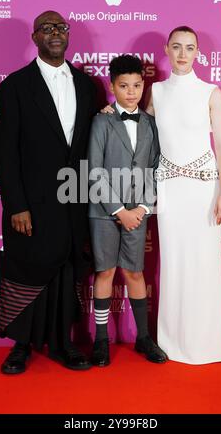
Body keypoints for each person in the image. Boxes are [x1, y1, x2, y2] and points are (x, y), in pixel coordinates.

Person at [0, 10, 97, 374]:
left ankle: (65, 343)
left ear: (68, 35)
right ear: (35, 37)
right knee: (28, 269)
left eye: (61, 28)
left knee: (67, 270)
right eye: (47, 29)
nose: (55, 33)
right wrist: (16, 205)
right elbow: (3, 151)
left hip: (73, 201)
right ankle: (21, 347)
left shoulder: (86, 86)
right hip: (31, 203)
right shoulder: (15, 86)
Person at [146, 26, 221, 364]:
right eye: (177, 47)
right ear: (166, 49)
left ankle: (207, 344)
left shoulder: (212, 92)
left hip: (204, 189)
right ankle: (172, 341)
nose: (183, 54)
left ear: (198, 53)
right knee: (174, 263)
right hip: (169, 189)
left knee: (204, 263)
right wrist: (111, 112)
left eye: (190, 48)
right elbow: (139, 129)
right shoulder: (155, 91)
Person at [88, 55, 167, 366]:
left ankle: (143, 337)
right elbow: (94, 170)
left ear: (143, 85)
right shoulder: (101, 121)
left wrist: (144, 206)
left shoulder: (150, 124)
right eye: (124, 86)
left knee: (135, 272)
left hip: (138, 211)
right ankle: (101, 339)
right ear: (112, 87)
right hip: (104, 211)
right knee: (105, 271)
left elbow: (156, 167)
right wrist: (119, 209)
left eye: (136, 85)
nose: (131, 92)